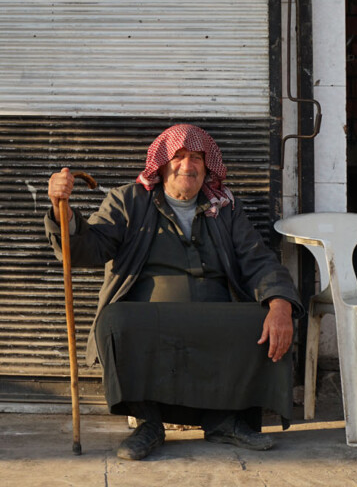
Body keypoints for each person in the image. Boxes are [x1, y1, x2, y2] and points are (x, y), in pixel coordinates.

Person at [45, 123, 303, 460]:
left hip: (214, 316)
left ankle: (223, 421)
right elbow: (86, 249)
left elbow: (258, 260)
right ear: (162, 164)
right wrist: (60, 210)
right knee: (114, 321)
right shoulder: (129, 201)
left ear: (207, 167)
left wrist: (280, 303)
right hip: (151, 320)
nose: (188, 165)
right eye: (178, 157)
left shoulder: (225, 208)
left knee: (266, 317)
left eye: (197, 157)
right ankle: (149, 424)